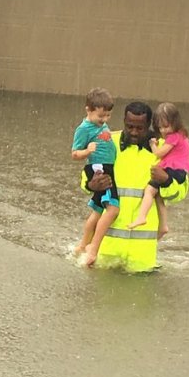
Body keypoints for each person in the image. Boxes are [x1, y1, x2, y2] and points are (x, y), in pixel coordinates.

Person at [81, 101, 189, 272]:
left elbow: (180, 192)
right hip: (106, 251)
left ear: (150, 125)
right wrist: (91, 184)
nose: (134, 132)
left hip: (142, 257)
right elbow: (86, 177)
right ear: (124, 121)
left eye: (140, 128)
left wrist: (166, 180)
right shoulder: (108, 141)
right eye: (129, 126)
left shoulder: (164, 149)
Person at [128, 102, 189, 237]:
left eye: (166, 126)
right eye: (160, 127)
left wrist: (153, 144)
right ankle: (163, 225)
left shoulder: (174, 137)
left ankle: (142, 216)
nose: (163, 131)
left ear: (175, 122)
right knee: (158, 195)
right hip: (179, 169)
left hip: (174, 170)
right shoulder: (181, 135)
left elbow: (158, 154)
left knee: (149, 190)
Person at [71, 87, 119, 257]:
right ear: (88, 110)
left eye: (108, 116)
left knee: (98, 210)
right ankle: (93, 247)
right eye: (100, 116)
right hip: (99, 169)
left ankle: (83, 245)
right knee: (113, 209)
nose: (104, 119)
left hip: (108, 167)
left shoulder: (102, 125)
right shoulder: (83, 129)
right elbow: (74, 153)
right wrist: (87, 151)